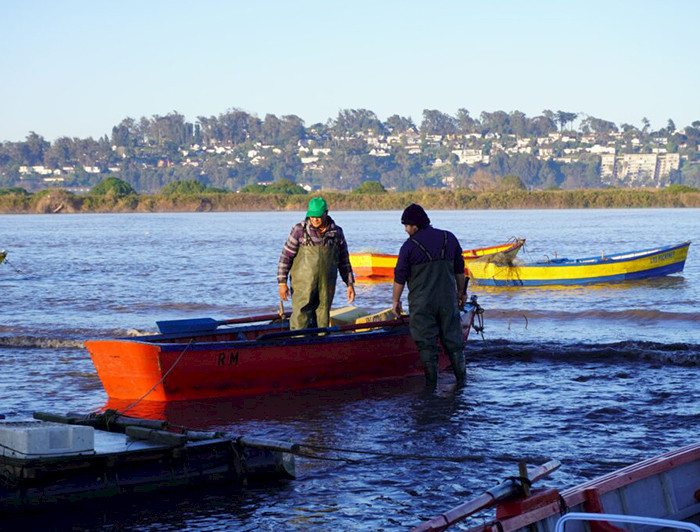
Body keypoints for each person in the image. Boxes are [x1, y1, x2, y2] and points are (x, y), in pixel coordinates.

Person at [391, 204, 468, 385]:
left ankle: (431, 388)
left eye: (406, 226)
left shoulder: (409, 247)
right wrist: (462, 293)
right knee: (454, 344)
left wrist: (396, 301)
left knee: (426, 345)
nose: (405, 230)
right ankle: (462, 383)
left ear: (415, 226)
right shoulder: (449, 238)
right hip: (448, 301)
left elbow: (399, 277)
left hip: (422, 304)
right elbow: (459, 270)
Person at [278, 197, 356, 330]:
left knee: (322, 315)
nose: (314, 219)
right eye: (312, 216)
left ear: (326, 212)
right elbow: (286, 257)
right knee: (301, 315)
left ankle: (320, 343)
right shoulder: (299, 230)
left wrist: (349, 284)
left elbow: (344, 260)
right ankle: (299, 343)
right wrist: (282, 283)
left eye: (318, 216)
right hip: (303, 284)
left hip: (326, 284)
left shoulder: (336, 233)